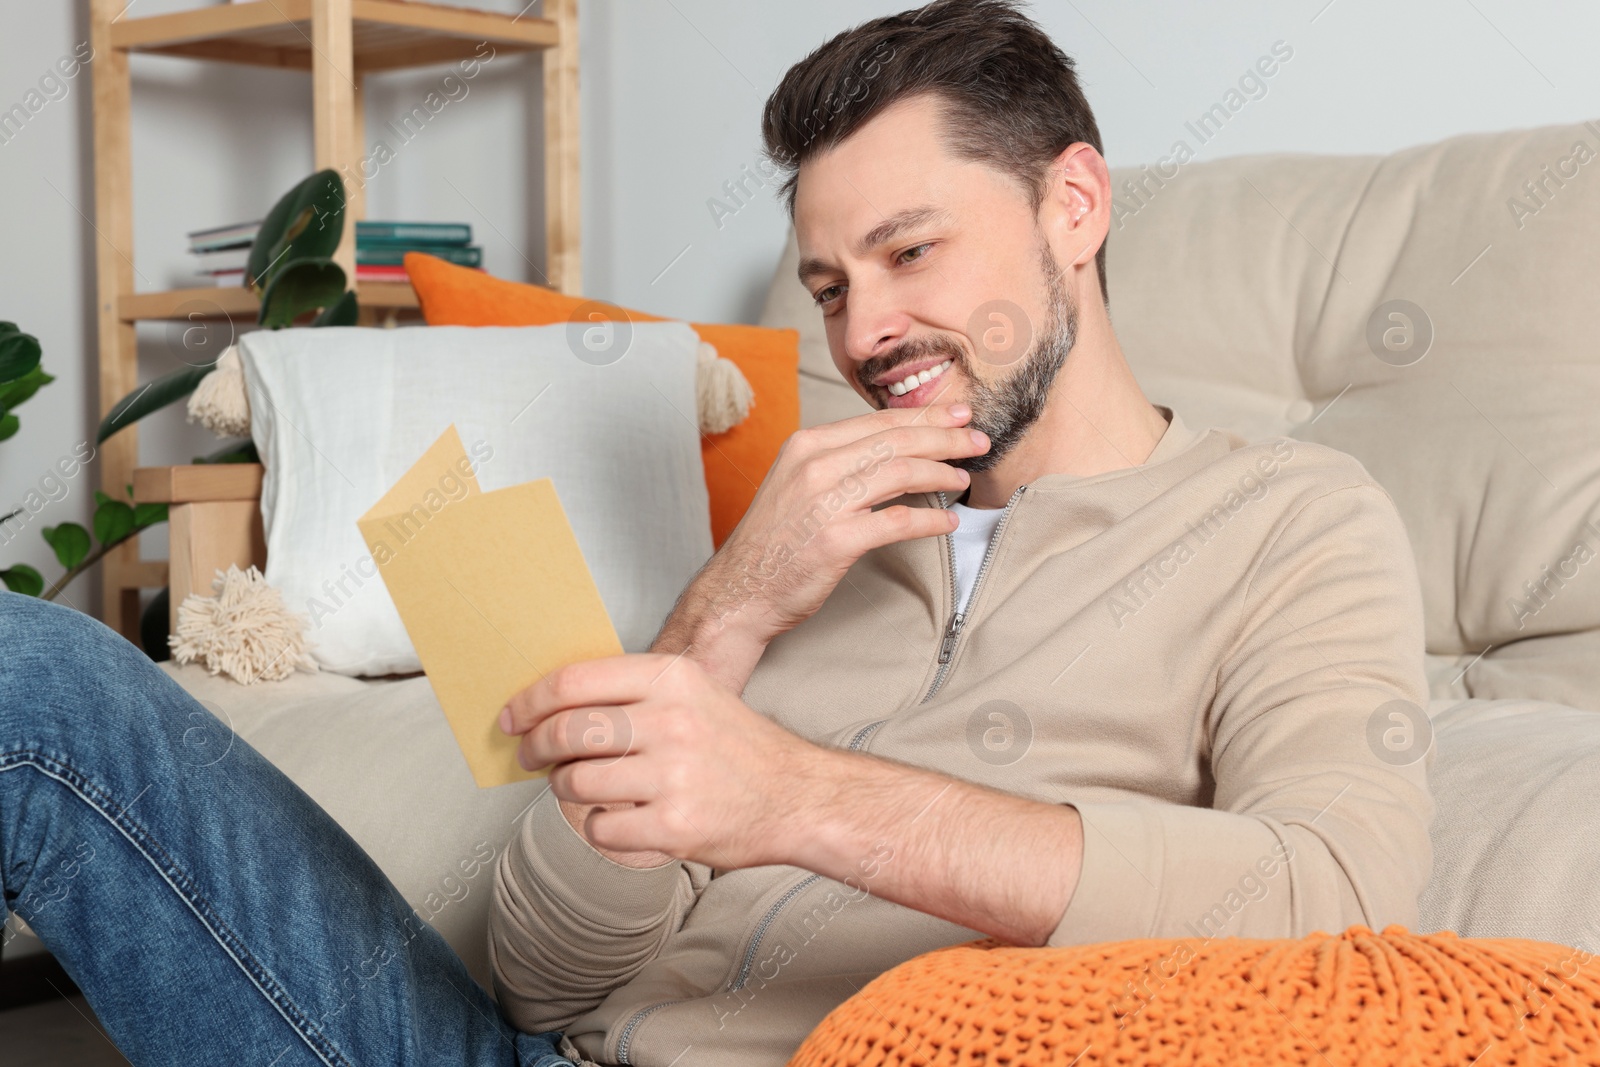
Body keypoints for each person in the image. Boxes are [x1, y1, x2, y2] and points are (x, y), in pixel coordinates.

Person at [0, 2, 1431, 1065]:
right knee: (32, 671)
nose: (866, 332)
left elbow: (1338, 912)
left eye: (911, 252)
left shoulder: (1288, 525)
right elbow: (546, 989)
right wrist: (721, 620)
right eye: (828, 285)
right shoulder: (811, 537)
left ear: (1074, 204)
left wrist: (796, 800)